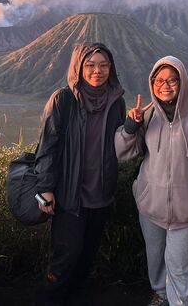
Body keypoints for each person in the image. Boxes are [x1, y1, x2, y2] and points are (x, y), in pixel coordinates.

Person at [115, 56, 188, 306]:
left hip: (186, 208)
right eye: (160, 80)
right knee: (156, 257)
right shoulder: (147, 115)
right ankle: (160, 294)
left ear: (182, 81)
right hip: (150, 205)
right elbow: (121, 153)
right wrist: (131, 126)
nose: (166, 85)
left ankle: (179, 302)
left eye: (172, 79)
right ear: (152, 84)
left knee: (181, 264)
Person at [34, 42, 126, 306]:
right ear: (78, 67)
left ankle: (73, 299)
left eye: (104, 65)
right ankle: (47, 301)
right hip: (69, 195)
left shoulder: (116, 101)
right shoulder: (63, 100)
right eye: (90, 65)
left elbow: (121, 143)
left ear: (111, 68)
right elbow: (47, 146)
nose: (98, 70)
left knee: (87, 256)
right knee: (66, 255)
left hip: (101, 194)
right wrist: (46, 187)